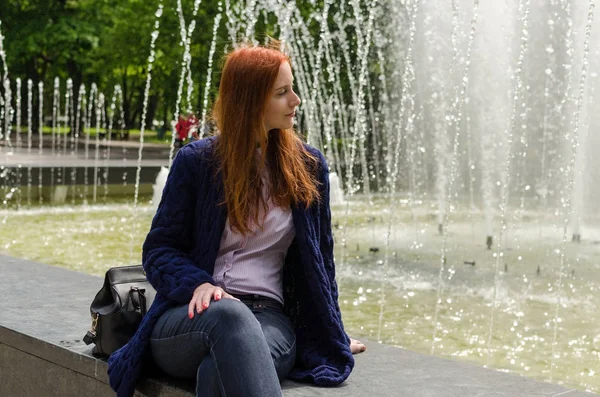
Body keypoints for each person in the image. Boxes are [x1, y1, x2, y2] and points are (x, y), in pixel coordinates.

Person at [107, 41, 365, 397]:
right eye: (282, 93)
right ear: (251, 101)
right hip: (190, 317)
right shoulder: (197, 162)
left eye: (292, 89)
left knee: (218, 371)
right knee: (230, 315)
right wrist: (198, 283)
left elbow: (321, 261)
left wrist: (331, 330)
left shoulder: (308, 166)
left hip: (269, 319)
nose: (296, 100)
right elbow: (160, 249)